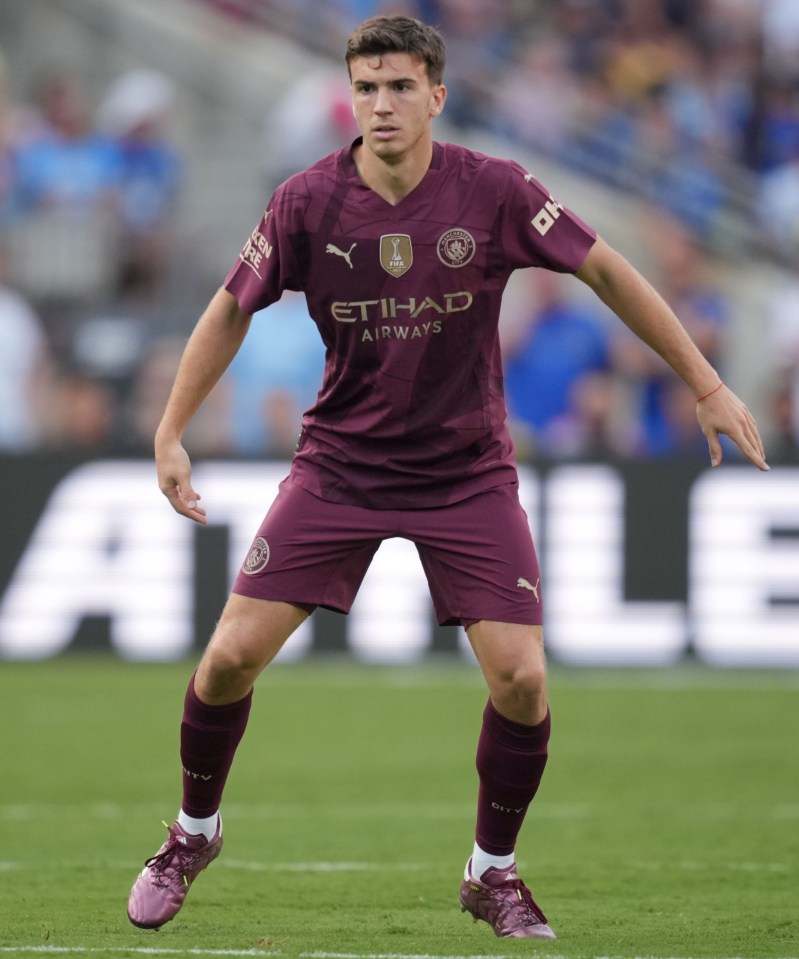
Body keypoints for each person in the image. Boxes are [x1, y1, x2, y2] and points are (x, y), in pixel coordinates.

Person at [126, 15, 769, 940]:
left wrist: (704, 380)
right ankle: (191, 835)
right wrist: (171, 429)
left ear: (436, 94)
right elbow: (229, 309)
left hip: (465, 474)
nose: (381, 105)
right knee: (227, 658)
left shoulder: (495, 191)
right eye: (366, 88)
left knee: (520, 680)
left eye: (398, 87)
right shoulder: (305, 202)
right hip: (340, 466)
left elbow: (606, 270)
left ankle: (491, 872)